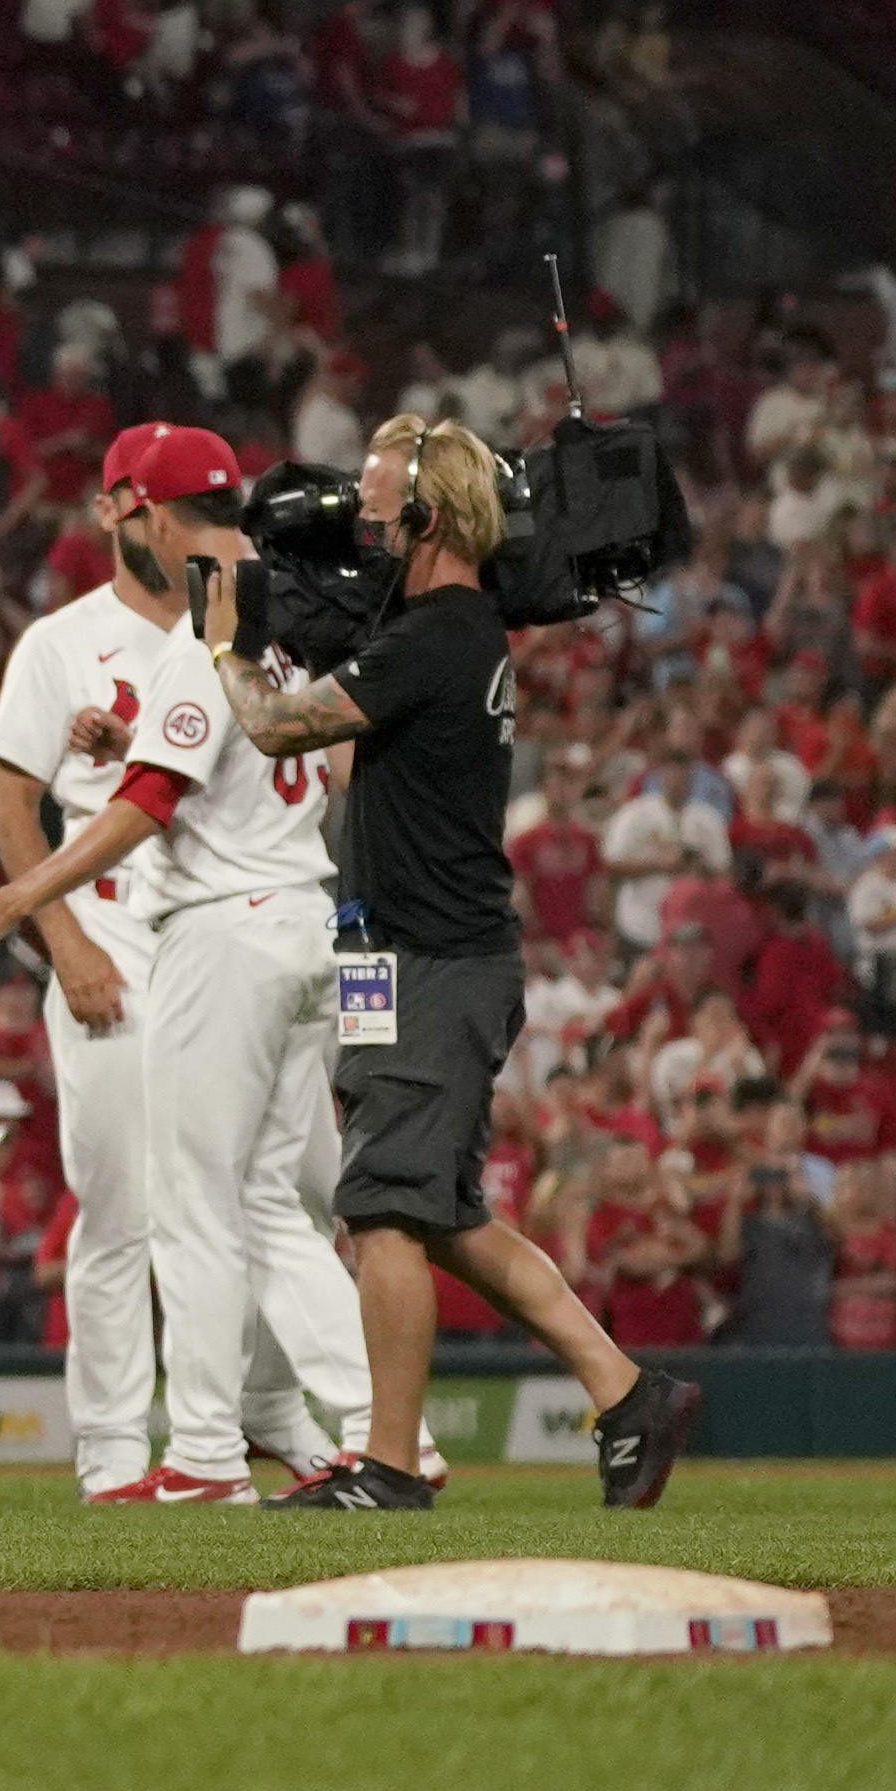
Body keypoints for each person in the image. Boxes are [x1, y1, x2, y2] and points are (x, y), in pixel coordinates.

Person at [176, 408, 707, 1511]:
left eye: (375, 507)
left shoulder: (437, 635)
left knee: (381, 1206)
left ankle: (386, 1464)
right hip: (403, 954)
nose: (360, 524)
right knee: (439, 1212)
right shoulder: (445, 628)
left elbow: (276, 726)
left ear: (425, 513)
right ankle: (626, 1392)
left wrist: (227, 640)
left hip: (429, 958)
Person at [0, 425, 371, 1497]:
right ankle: (109, 1445)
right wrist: (66, 941)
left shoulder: (242, 621)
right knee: (127, 1205)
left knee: (272, 1193)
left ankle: (260, 1415)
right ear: (112, 512)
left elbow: (272, 773)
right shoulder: (61, 640)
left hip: (212, 915)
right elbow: (9, 800)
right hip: (114, 922)